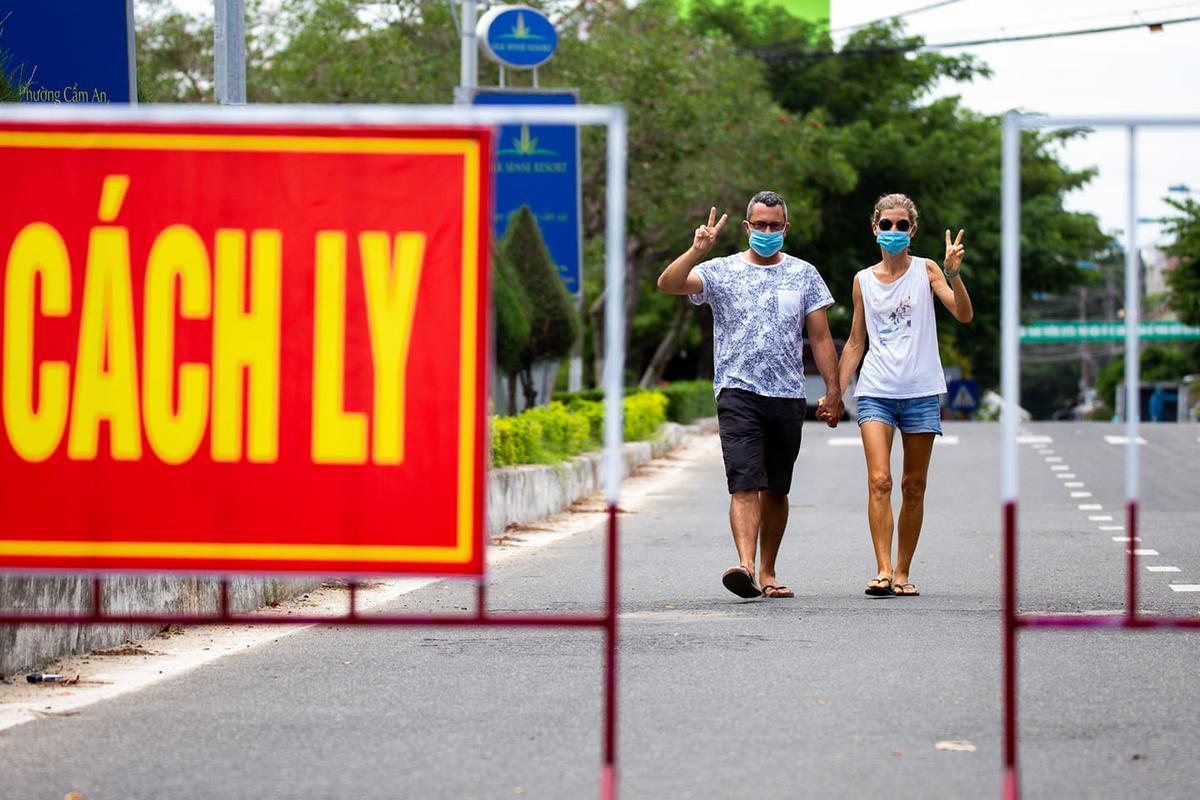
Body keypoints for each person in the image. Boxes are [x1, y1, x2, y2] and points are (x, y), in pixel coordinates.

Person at [657, 191, 843, 599]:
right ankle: (744, 565)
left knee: (776, 488)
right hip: (737, 391)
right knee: (744, 482)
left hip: (787, 393)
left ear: (786, 229)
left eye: (774, 225)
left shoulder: (804, 274)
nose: (767, 231)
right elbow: (668, 284)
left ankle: (769, 571)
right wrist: (695, 250)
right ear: (746, 227)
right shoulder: (720, 271)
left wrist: (833, 391)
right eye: (759, 224)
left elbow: (820, 336)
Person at [826, 193, 973, 597]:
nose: (893, 231)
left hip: (921, 391)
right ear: (875, 229)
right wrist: (837, 393)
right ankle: (883, 568)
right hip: (876, 390)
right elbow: (856, 342)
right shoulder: (862, 280)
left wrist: (953, 274)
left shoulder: (927, 271)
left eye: (901, 225)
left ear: (913, 230)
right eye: (886, 225)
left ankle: (904, 570)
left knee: (913, 485)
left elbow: (962, 314)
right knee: (880, 480)